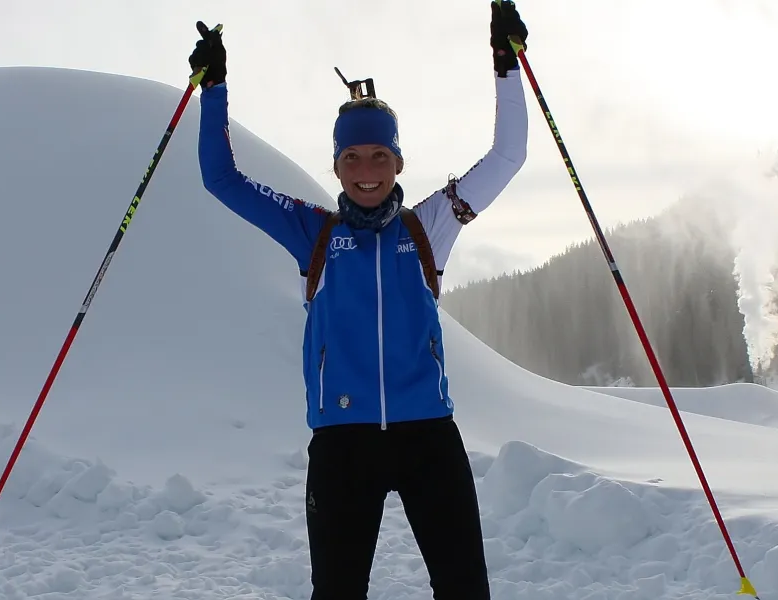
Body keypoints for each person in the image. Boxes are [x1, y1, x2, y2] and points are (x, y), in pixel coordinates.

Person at [188, 3, 528, 598]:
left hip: (428, 437)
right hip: (344, 445)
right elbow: (223, 180)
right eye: (352, 158)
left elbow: (508, 156)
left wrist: (507, 64)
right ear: (337, 164)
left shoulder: (430, 225)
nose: (366, 170)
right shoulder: (312, 232)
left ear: (398, 162)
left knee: (465, 588)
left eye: (379, 156)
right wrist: (213, 89)